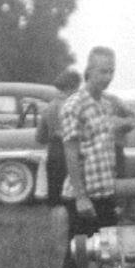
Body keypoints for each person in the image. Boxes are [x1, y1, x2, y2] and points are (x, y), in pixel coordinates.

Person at [60, 47, 125, 268]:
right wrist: (81, 197)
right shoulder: (74, 105)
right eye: (102, 71)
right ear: (88, 71)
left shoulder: (107, 104)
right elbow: (70, 150)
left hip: (106, 192)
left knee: (108, 253)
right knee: (78, 256)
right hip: (84, 195)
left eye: (111, 71)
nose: (107, 77)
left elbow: (128, 122)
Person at [36, 69, 82, 207]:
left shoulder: (49, 108)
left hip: (54, 153)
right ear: (72, 87)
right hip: (72, 152)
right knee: (71, 196)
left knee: (55, 197)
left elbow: (40, 137)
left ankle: (57, 226)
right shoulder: (76, 106)